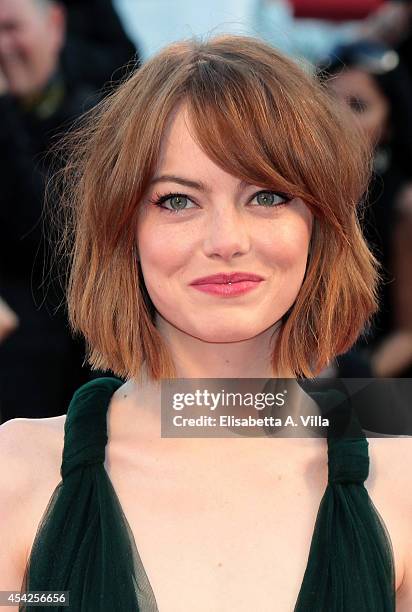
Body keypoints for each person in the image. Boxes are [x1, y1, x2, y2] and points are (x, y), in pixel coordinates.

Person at [0, 34, 411, 611]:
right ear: (123, 231)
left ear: (320, 224)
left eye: (267, 196)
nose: (226, 241)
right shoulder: (17, 473)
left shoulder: (400, 490)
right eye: (177, 200)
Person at [0, 0, 135, 422]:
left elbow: (47, 232)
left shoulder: (98, 125)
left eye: (10, 28)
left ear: (55, 26)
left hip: (60, 386)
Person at [317, 41, 412, 377]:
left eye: (357, 106)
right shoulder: (290, 189)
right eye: (326, 100)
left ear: (388, 126)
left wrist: (351, 391)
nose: (336, 116)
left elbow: (407, 336)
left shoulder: (403, 206)